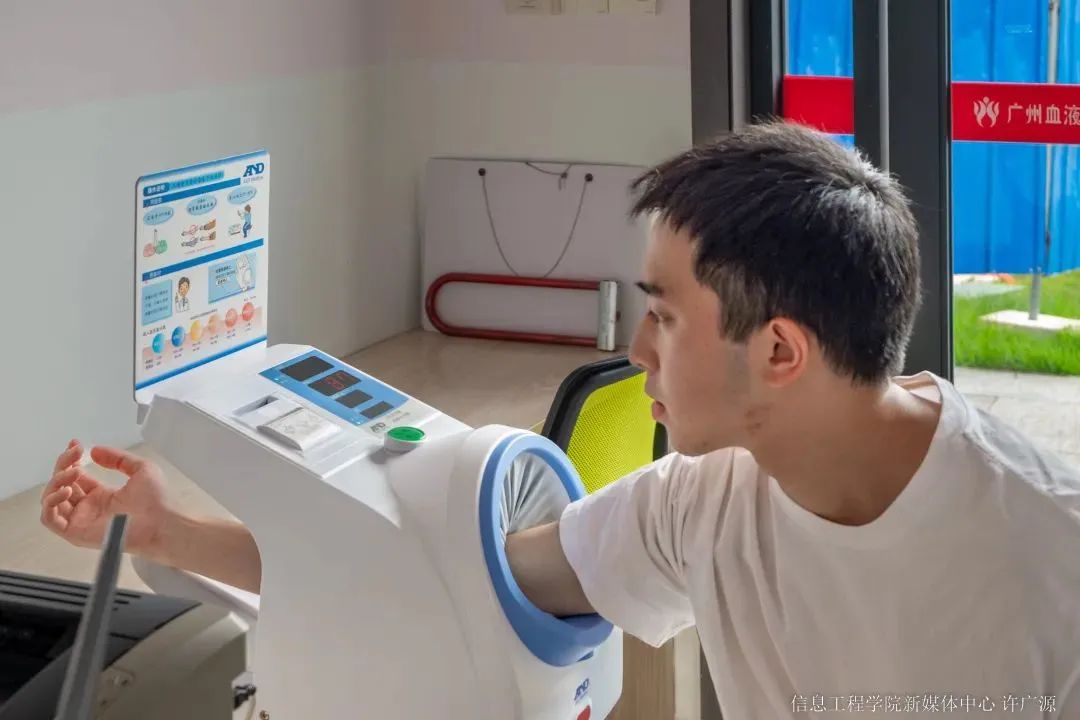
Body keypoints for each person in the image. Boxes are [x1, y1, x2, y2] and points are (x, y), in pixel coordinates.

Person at [41, 121, 1080, 717]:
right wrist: (167, 530)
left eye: (665, 315)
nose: (638, 352)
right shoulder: (703, 502)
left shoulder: (1050, 556)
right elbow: (433, 574)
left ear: (779, 352)